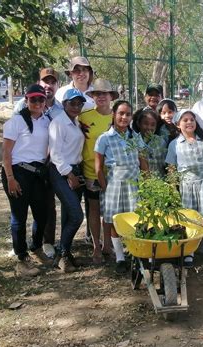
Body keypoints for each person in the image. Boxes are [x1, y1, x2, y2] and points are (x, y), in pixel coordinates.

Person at [2, 84, 53, 276]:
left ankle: (37, 246)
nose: (38, 103)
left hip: (37, 172)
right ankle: (21, 258)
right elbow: (6, 153)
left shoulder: (47, 121)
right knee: (19, 216)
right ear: (26, 100)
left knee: (42, 213)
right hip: (17, 171)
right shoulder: (16, 122)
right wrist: (10, 178)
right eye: (34, 100)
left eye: (41, 99)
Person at [13, 68, 64, 258]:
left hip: (49, 165)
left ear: (57, 85)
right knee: (22, 207)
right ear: (39, 83)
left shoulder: (60, 109)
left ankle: (46, 242)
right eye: (45, 81)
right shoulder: (21, 107)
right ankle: (20, 246)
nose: (48, 85)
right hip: (24, 167)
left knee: (47, 206)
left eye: (52, 82)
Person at [165, 109, 203, 270]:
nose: (189, 122)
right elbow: (171, 169)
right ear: (178, 125)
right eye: (185, 120)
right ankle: (189, 252)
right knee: (188, 221)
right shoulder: (174, 144)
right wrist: (173, 189)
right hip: (186, 188)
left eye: (192, 119)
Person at [94, 101, 147, 275]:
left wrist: (147, 182)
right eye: (121, 113)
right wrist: (105, 187)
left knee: (135, 219)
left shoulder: (135, 137)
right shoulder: (104, 138)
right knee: (116, 221)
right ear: (114, 114)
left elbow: (142, 160)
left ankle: (136, 254)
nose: (124, 117)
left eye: (128, 114)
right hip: (115, 184)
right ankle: (120, 258)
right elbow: (98, 167)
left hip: (134, 183)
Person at [79, 79, 119, 264]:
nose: (101, 97)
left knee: (110, 211)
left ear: (111, 96)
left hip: (113, 173)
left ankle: (108, 246)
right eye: (97, 94)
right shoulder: (84, 117)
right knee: (94, 209)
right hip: (91, 172)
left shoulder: (118, 117)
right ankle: (96, 246)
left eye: (105, 93)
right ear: (92, 97)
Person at [49, 88, 86, 272]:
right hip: (61, 172)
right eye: (72, 103)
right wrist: (69, 174)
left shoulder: (76, 123)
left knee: (68, 216)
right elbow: (55, 154)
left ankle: (65, 254)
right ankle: (62, 253)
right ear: (64, 104)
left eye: (80, 103)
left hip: (76, 170)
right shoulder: (58, 123)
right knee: (77, 215)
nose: (76, 106)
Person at [132, 108, 168, 177]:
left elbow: (165, 165)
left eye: (153, 125)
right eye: (145, 123)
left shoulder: (161, 142)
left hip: (159, 182)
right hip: (139, 183)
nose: (149, 127)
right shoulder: (133, 142)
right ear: (138, 124)